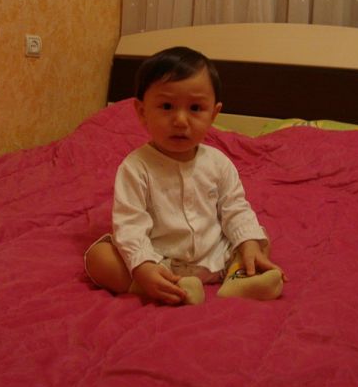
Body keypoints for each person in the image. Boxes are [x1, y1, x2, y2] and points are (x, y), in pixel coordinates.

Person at [85, 46, 286, 306]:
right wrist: (143, 266)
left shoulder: (219, 163)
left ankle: (238, 277)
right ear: (142, 112)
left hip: (217, 256)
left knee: (258, 237)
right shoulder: (135, 167)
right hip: (160, 262)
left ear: (213, 114)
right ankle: (162, 287)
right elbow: (130, 224)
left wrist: (248, 243)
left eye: (195, 108)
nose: (180, 120)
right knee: (99, 257)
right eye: (167, 106)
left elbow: (235, 208)